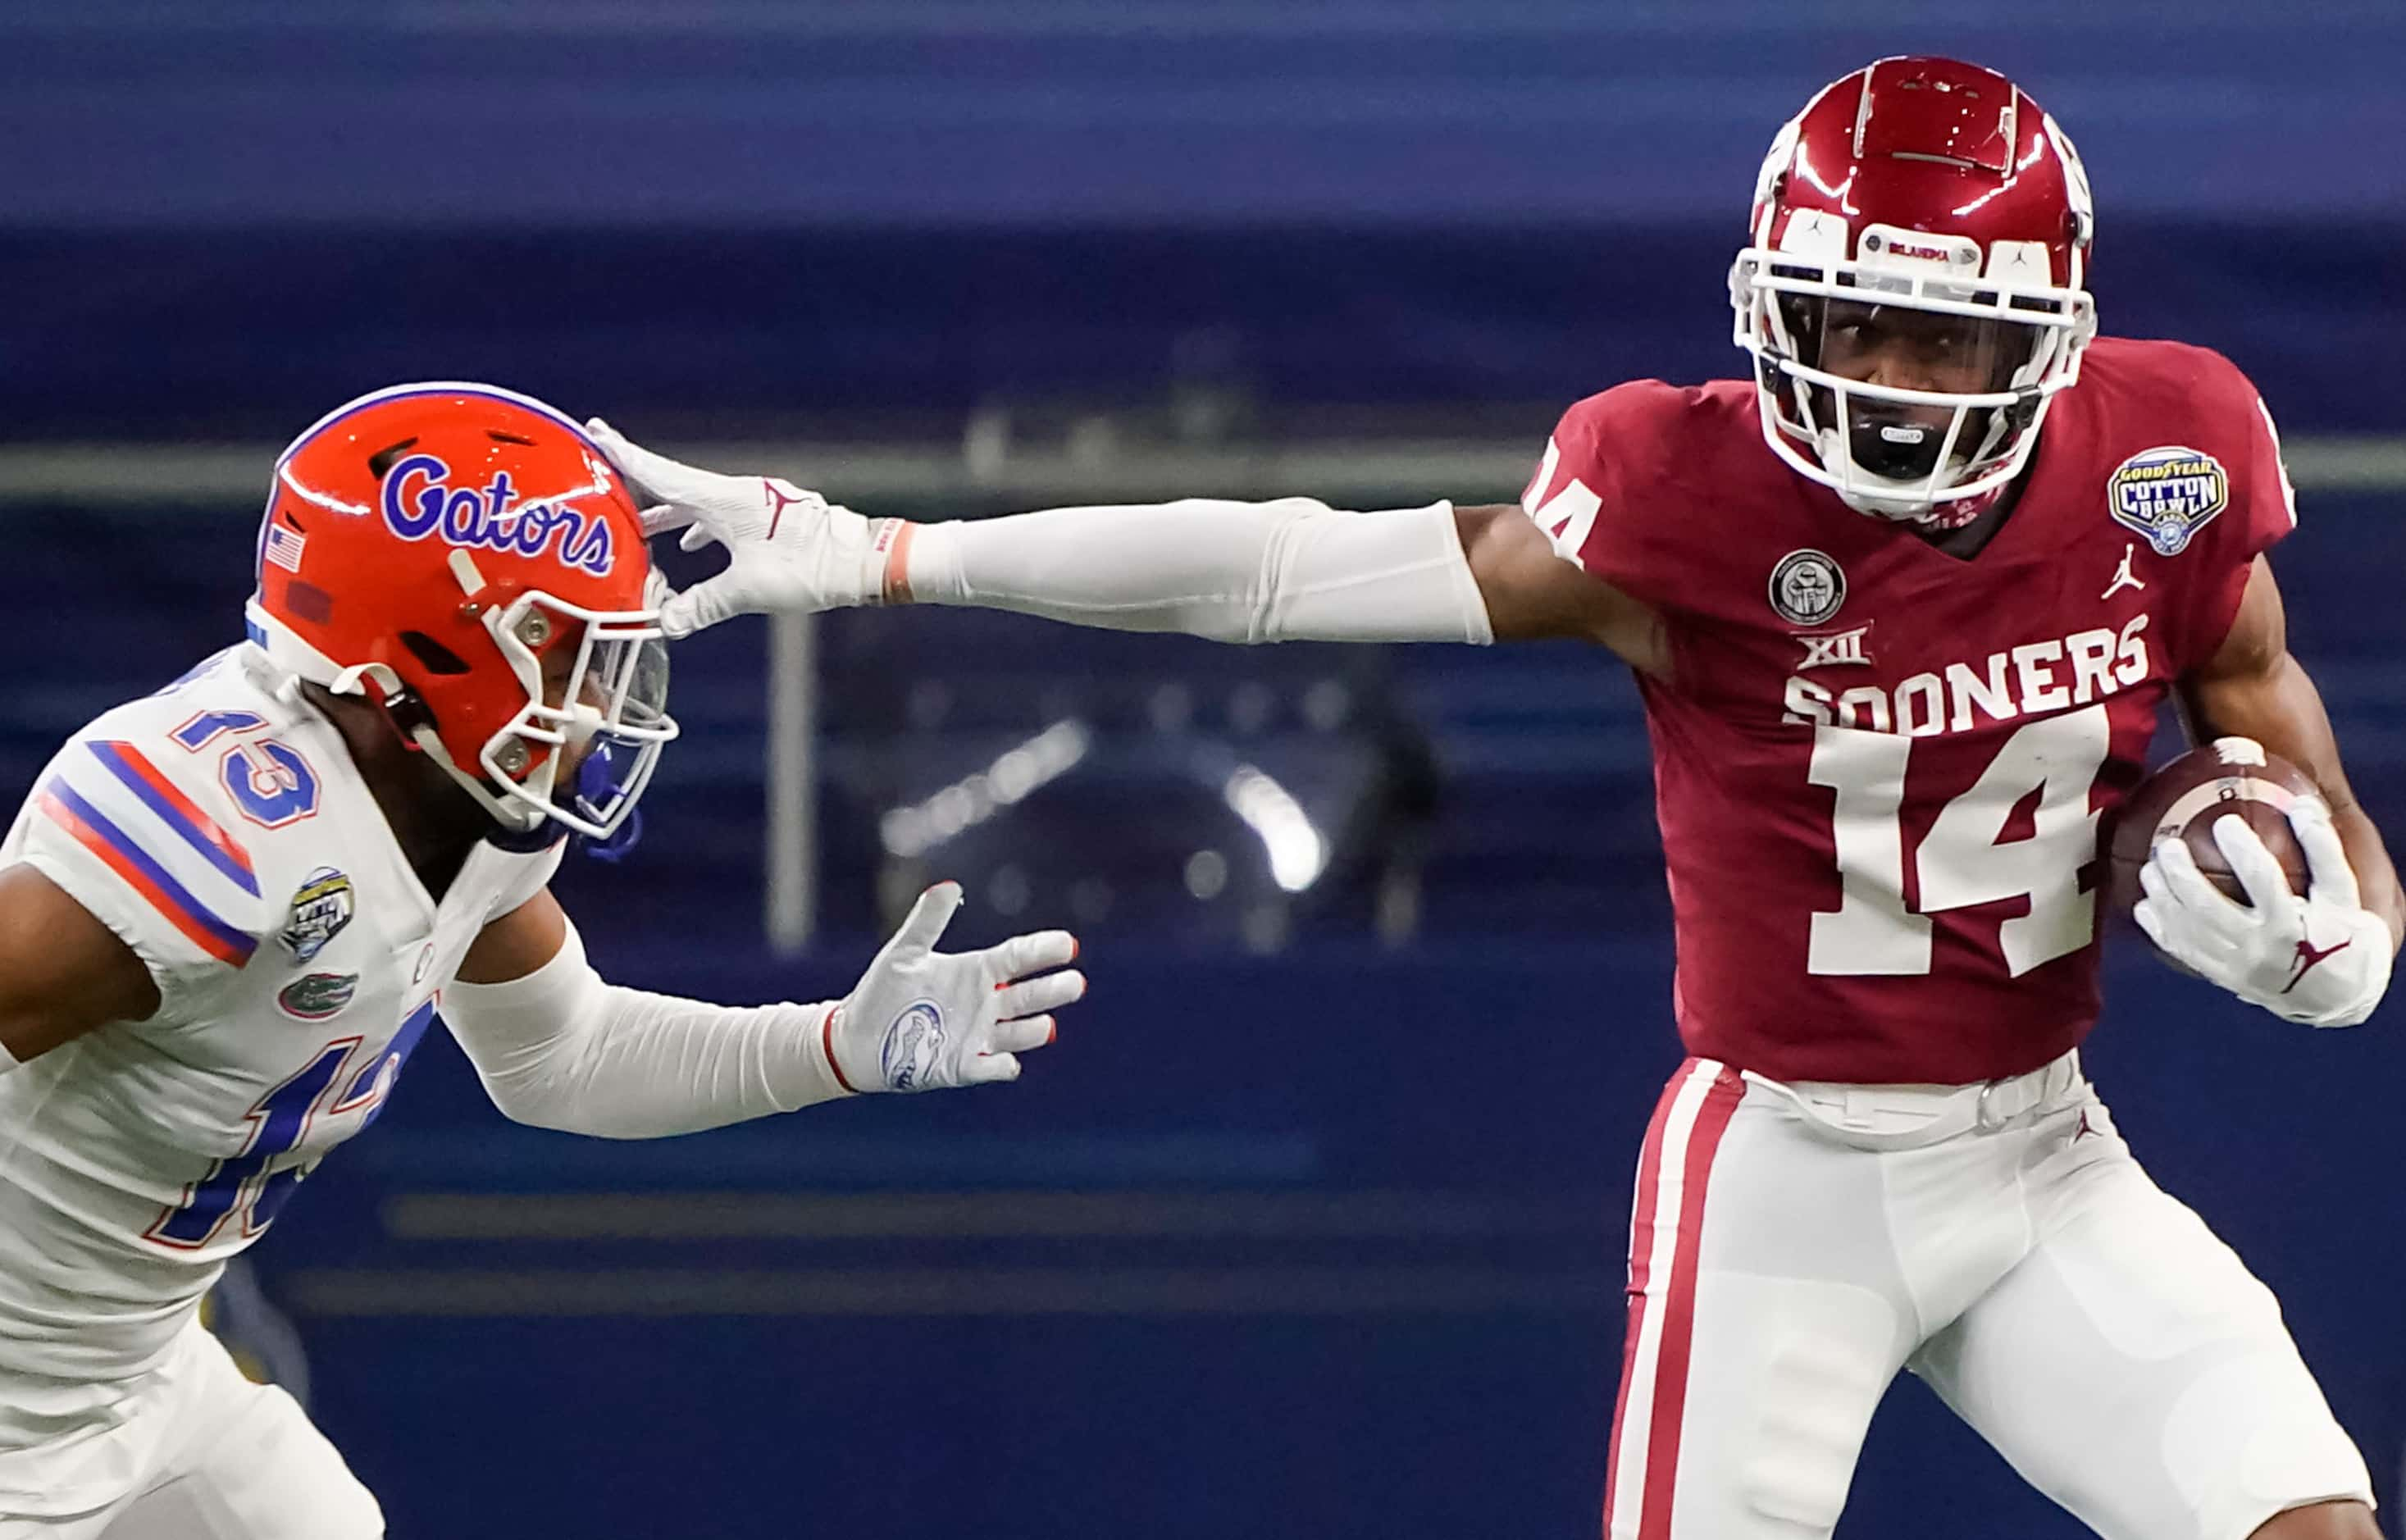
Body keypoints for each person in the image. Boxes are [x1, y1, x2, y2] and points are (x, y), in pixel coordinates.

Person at [596, 56, 2396, 1540]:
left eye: (1939, 341)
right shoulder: (1686, 499)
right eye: (1850, 321)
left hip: (2047, 1153)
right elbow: (1277, 569)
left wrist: (2351, 930)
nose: (1884, 386)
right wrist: (882, 553)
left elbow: (2254, 701)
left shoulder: (2168, 457)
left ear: (2051, 344)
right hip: (1792, 1172)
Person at [0, 382, 1087, 1538]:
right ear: (430, 644)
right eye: (567, 654)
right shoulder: (222, 824)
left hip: (138, 1374)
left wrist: (828, 1046)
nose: (599, 703)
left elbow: (561, 1056)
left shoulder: (450, 800)